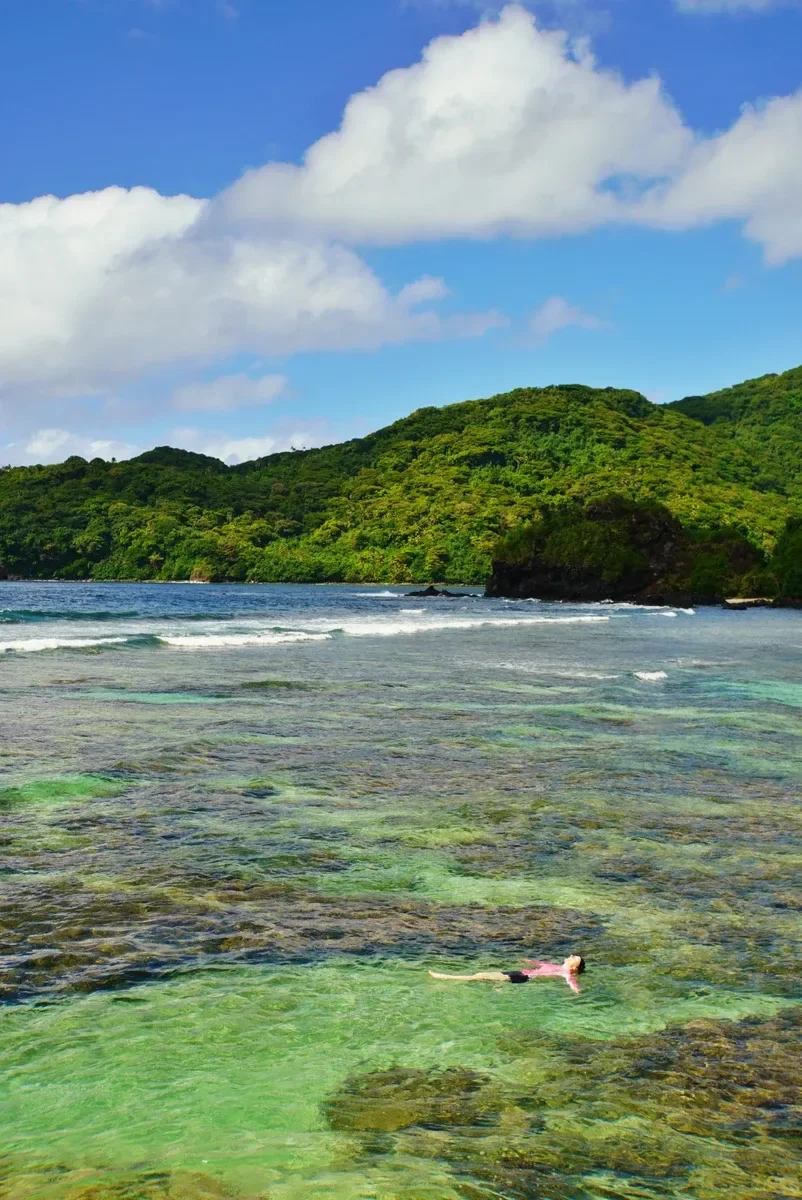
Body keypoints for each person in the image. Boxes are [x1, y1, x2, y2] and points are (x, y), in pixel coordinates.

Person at [428, 954, 585, 993]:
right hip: (519, 973)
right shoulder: (557, 966)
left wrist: (576, 989)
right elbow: (541, 963)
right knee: (482, 975)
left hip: (523, 977)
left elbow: (571, 982)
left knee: (480, 976)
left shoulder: (565, 973)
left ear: (574, 968)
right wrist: (528, 960)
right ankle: (499, 988)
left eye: (574, 958)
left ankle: (445, 977)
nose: (571, 955)